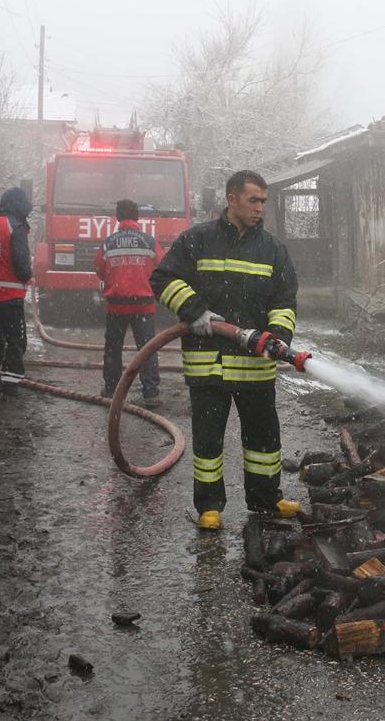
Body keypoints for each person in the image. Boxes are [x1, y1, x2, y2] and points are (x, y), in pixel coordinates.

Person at [150, 170, 300, 530]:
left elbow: (285, 299)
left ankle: (266, 499)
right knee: (208, 441)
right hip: (209, 364)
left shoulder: (273, 249)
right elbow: (162, 278)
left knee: (264, 440)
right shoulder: (197, 241)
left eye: (263, 201)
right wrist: (194, 309)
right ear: (231, 199)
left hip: (256, 366)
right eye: (253, 200)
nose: (259, 209)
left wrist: (279, 334)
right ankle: (209, 507)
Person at [94, 198, 162, 408]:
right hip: (144, 306)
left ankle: (112, 389)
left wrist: (117, 281)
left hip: (116, 305)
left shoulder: (109, 242)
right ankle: (150, 393)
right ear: (137, 218)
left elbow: (99, 269)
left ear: (118, 218)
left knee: (113, 348)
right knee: (147, 349)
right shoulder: (149, 242)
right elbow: (161, 268)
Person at [0, 187, 33, 398]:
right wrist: (28, 275)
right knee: (16, 339)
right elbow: (20, 260)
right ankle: (10, 383)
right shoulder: (15, 227)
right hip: (9, 296)